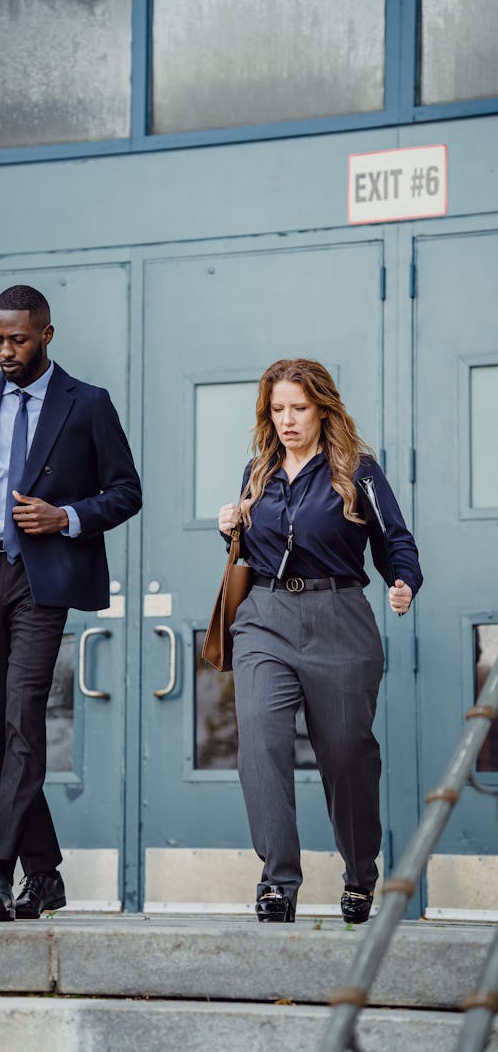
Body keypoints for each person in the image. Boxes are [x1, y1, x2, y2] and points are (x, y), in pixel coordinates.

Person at [0, 284, 142, 922]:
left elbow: (127, 491)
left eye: (18, 339)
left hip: (40, 582)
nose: (6, 351)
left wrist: (65, 515)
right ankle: (45, 877)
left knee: (23, 718)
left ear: (47, 333)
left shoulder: (87, 404)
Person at [217, 359, 422, 924]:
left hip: (339, 617)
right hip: (264, 616)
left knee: (347, 755)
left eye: (298, 409)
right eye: (277, 409)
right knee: (259, 741)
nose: (287, 420)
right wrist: (229, 526)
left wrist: (403, 581)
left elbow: (394, 540)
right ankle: (277, 882)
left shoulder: (357, 470)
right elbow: (249, 551)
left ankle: (359, 876)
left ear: (323, 409)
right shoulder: (257, 471)